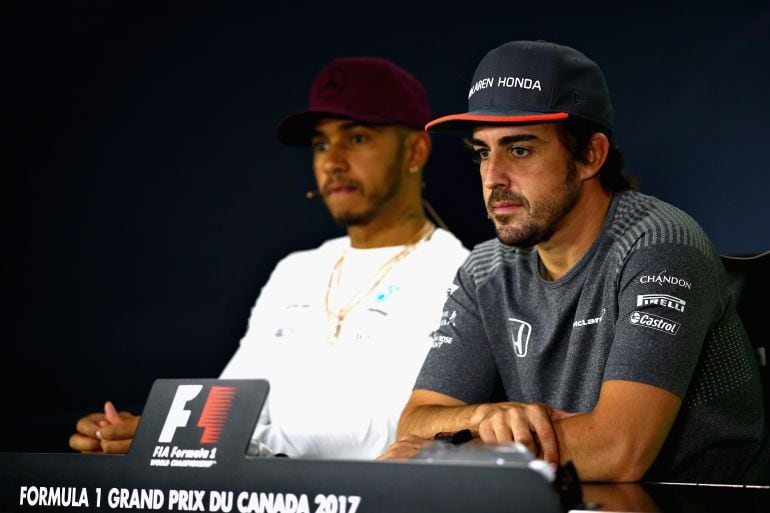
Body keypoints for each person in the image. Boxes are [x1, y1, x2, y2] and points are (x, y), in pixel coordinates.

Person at [381, 40, 769, 484]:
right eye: (483, 152)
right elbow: (415, 422)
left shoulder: (660, 243)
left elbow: (619, 449)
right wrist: (485, 415)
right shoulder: (485, 269)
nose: (493, 177)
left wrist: (450, 455)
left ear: (591, 155)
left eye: (519, 149)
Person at [68, 56, 469, 459]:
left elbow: (390, 434)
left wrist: (202, 442)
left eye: (358, 138)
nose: (332, 162)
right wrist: (133, 433)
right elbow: (230, 406)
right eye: (321, 144)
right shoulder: (295, 271)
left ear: (415, 151)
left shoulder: (458, 274)